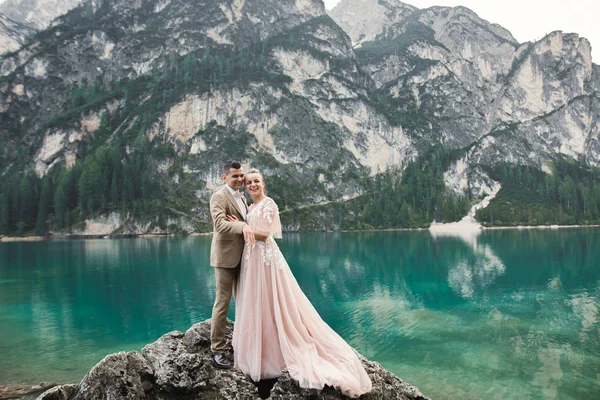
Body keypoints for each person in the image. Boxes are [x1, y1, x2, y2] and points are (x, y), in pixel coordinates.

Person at [229, 169, 372, 398]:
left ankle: (276, 352)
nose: (252, 185)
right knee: (257, 303)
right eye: (249, 182)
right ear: (245, 186)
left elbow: (265, 234)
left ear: (263, 184)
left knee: (274, 301)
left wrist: (245, 227)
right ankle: (259, 351)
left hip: (264, 260)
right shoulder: (251, 207)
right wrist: (241, 223)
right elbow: (250, 228)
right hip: (251, 260)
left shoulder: (268, 204)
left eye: (256, 181)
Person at [209, 161, 259, 369]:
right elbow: (220, 224)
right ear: (224, 178)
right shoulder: (219, 196)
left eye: (241, 176)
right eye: (235, 176)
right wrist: (242, 225)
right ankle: (217, 350)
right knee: (222, 303)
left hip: (244, 257)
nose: (239, 179)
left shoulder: (242, 198)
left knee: (244, 302)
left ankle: (243, 345)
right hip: (225, 258)